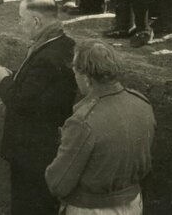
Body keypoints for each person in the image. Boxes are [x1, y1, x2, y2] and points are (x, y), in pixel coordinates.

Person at [0, 0, 77, 215]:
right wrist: (15, 76)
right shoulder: (63, 43)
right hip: (48, 143)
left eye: (21, 19)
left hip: (31, 149)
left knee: (28, 203)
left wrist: (3, 81)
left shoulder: (46, 55)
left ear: (36, 21)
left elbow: (22, 101)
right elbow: (39, 87)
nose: (19, 24)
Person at [45, 40, 155, 214]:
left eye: (75, 70)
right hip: (133, 204)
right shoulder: (142, 103)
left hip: (92, 209)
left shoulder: (83, 122)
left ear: (87, 78)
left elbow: (58, 184)